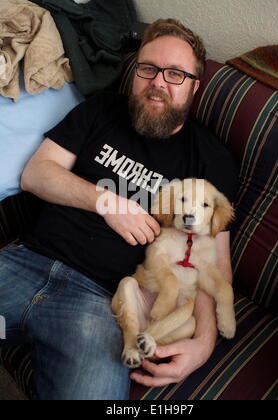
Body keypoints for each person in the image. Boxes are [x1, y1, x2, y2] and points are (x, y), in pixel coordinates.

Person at [0, 19, 238, 400]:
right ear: (135, 72)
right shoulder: (101, 111)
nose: (158, 82)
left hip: (101, 305)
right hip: (25, 263)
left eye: (175, 74)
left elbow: (215, 263)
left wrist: (204, 342)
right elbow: (36, 173)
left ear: (195, 86)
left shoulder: (212, 160)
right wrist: (107, 202)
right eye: (148, 69)